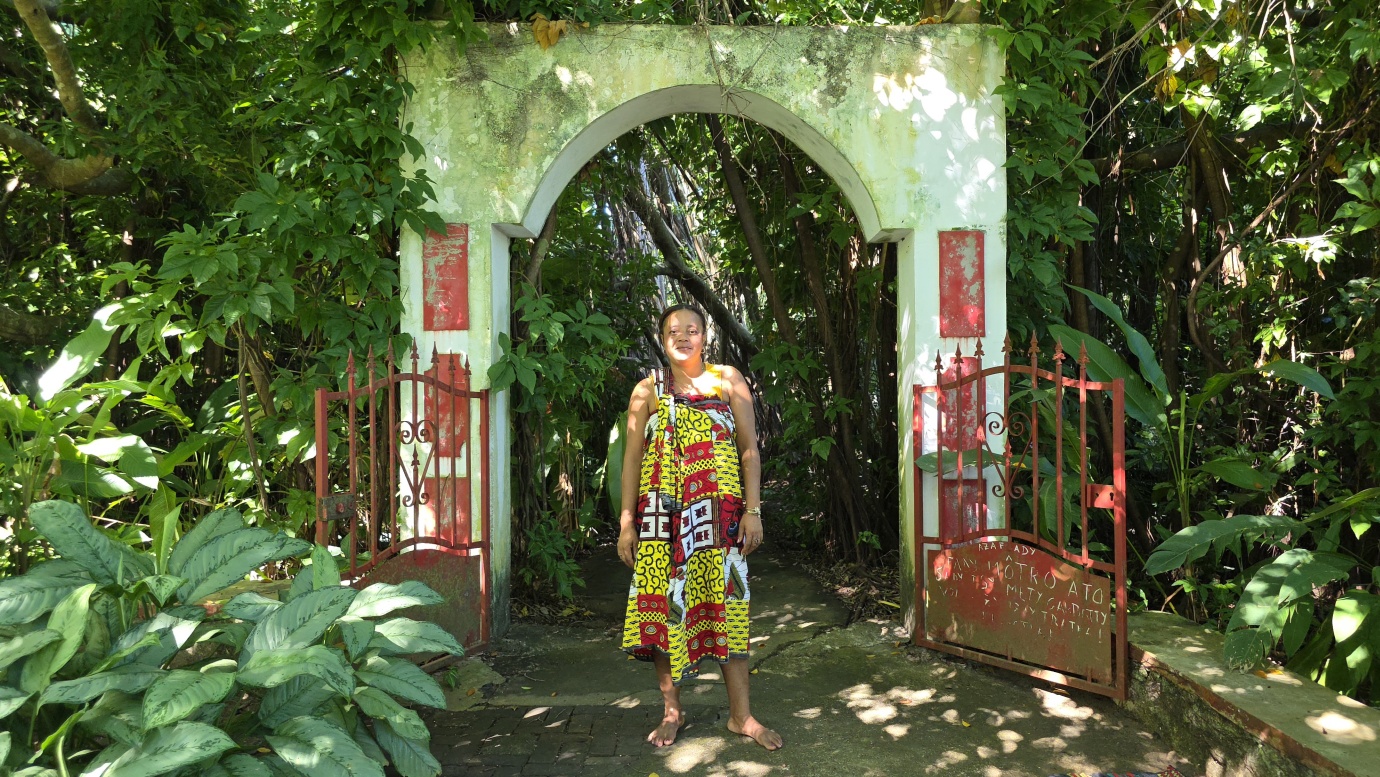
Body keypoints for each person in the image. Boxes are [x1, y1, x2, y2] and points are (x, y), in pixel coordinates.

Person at [618, 304, 783, 751]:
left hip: (719, 515)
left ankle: (741, 716)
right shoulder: (647, 389)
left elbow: (749, 448)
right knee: (661, 607)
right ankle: (672, 711)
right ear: (662, 338)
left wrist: (753, 510)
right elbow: (631, 459)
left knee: (728, 606)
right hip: (661, 517)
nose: (683, 337)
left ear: (704, 336)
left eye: (692, 329)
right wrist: (627, 522)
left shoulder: (727, 380)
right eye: (674, 331)